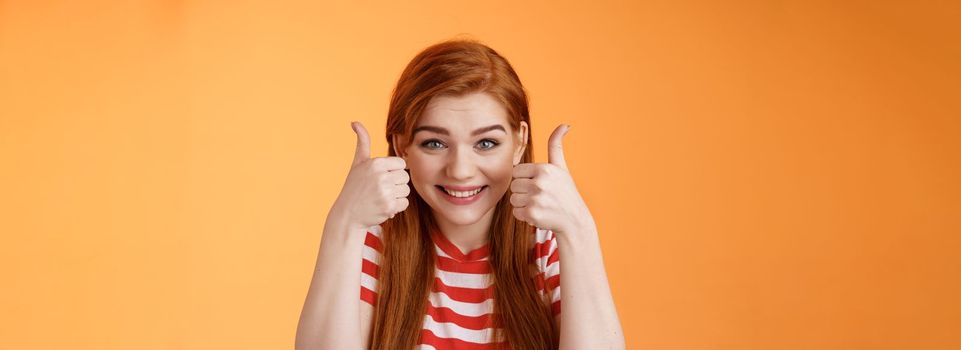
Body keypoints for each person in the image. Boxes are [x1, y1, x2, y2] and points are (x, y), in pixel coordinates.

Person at [296, 39, 624, 350]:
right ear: (401, 146)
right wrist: (343, 223)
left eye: (486, 143)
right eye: (434, 143)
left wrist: (580, 229)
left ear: (519, 142)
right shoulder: (372, 246)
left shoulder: (547, 247)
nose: (461, 170)